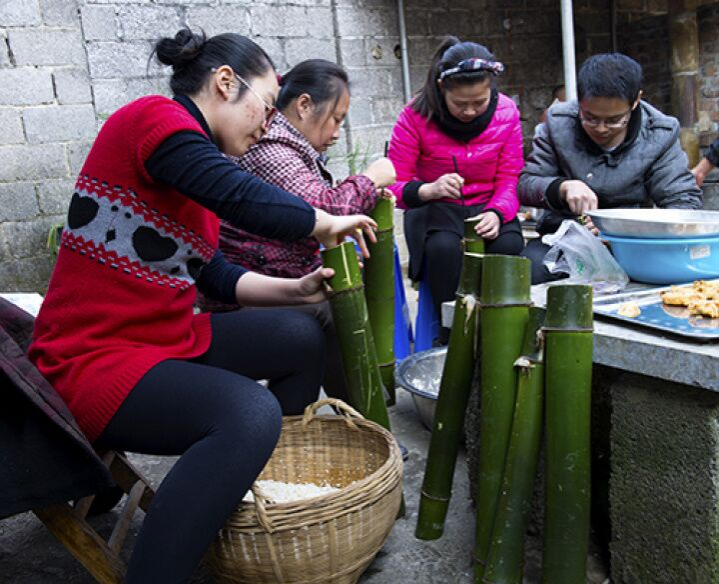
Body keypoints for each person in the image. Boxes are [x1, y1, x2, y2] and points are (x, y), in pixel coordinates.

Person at [28, 29, 377, 583]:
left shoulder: (189, 169)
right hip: (92, 360)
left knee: (299, 336)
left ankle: (249, 496)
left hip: (159, 342)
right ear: (223, 84)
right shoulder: (155, 123)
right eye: (266, 105)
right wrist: (325, 220)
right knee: (246, 413)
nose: (269, 123)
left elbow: (211, 272)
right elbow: (241, 196)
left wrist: (296, 289)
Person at [198, 59, 395, 403]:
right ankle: (363, 418)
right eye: (335, 119)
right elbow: (324, 209)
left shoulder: (284, 145)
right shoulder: (270, 148)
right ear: (303, 105)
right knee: (331, 314)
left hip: (271, 282)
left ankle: (320, 422)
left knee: (328, 310)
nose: (336, 132)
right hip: (243, 293)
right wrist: (372, 177)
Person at [519, 53, 702, 284]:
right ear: (580, 101)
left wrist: (624, 231)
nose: (601, 129)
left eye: (615, 120)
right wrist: (562, 188)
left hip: (632, 245)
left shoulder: (660, 134)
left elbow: (682, 201)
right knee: (528, 273)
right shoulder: (558, 124)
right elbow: (526, 185)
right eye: (590, 118)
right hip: (563, 239)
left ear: (636, 101)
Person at [387, 36, 524, 345]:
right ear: (441, 88)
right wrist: (429, 189)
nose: (471, 111)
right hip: (435, 209)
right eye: (461, 103)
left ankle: (500, 334)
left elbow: (510, 177)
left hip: (489, 205)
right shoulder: (414, 116)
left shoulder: (507, 112)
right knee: (444, 251)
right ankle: (451, 338)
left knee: (509, 247)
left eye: (480, 101)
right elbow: (394, 186)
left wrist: (497, 211)